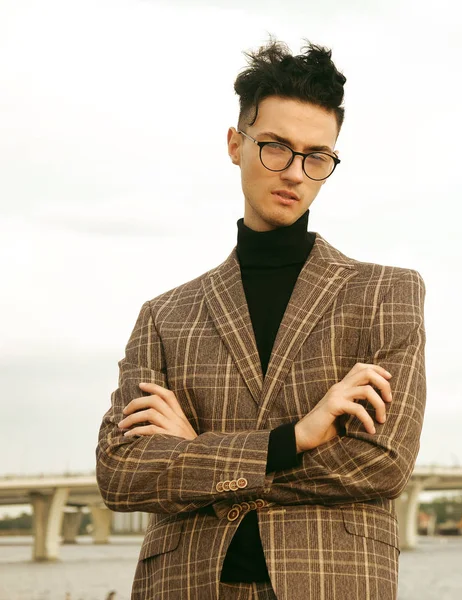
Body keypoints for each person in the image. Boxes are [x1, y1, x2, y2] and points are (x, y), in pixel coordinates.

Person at [96, 38, 426, 600]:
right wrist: (294, 438)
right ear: (235, 144)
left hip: (332, 581)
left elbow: (380, 465)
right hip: (187, 584)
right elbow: (122, 472)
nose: (295, 172)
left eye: (317, 156)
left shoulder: (386, 293)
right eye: (275, 146)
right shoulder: (165, 316)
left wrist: (196, 451)